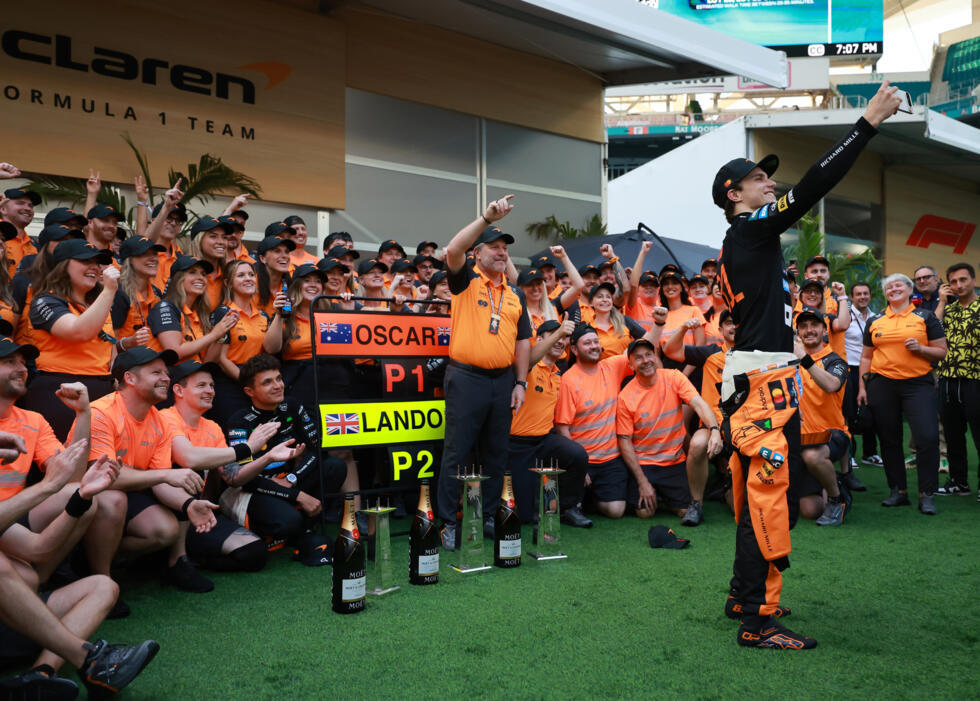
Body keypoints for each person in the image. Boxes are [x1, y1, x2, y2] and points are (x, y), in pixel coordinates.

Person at [713, 80, 902, 649]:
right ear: (734, 195)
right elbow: (817, 182)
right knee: (771, 501)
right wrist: (866, 121)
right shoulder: (749, 230)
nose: (770, 182)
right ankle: (757, 620)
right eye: (758, 178)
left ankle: (743, 593)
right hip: (762, 382)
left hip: (758, 378)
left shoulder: (742, 240)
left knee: (759, 498)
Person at [0, 427, 158, 700]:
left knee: (103, 586)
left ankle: (39, 675)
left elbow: (39, 549)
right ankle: (89, 658)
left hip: (17, 624)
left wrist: (82, 496)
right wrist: (49, 485)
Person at [73, 346, 220, 594]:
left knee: (166, 531)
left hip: (130, 490)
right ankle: (101, 580)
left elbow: (160, 481)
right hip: (88, 493)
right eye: (156, 372)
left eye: (166, 372)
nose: (166, 378)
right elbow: (101, 477)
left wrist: (188, 505)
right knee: (113, 500)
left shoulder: (159, 419)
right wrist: (165, 474)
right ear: (129, 378)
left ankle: (87, 556)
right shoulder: (101, 412)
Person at [435, 196, 531, 549]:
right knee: (457, 454)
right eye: (493, 247)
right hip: (466, 378)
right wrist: (485, 218)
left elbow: (523, 341)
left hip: (502, 380)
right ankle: (447, 522)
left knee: (495, 453)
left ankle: (488, 516)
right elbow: (453, 249)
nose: (501, 253)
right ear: (478, 253)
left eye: (505, 248)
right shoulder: (465, 281)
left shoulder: (514, 294)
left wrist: (520, 382)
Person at [162, 360, 293, 574]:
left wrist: (267, 457)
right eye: (201, 385)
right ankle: (171, 558)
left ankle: (189, 556)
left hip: (201, 512)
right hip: (166, 512)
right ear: (178, 390)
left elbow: (234, 477)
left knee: (255, 553)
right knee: (189, 472)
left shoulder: (212, 427)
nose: (210, 391)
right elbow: (189, 458)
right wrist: (248, 447)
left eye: (212, 386)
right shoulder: (165, 418)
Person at [222, 354, 347, 543]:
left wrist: (293, 478)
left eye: (279, 379)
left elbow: (316, 449)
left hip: (289, 480)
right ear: (250, 391)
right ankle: (285, 527)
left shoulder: (292, 406)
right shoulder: (239, 422)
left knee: (335, 466)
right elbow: (243, 480)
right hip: (256, 489)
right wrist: (298, 495)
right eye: (267, 382)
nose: (278, 385)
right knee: (289, 521)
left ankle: (304, 527)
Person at [555, 317, 664, 519]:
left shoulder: (611, 366)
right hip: (583, 459)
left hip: (611, 459)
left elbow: (641, 350)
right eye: (587, 343)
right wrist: (579, 467)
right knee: (566, 503)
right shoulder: (569, 380)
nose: (594, 346)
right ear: (575, 350)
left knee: (616, 511)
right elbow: (562, 428)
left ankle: (589, 499)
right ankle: (579, 494)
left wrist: (658, 324)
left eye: (596, 341)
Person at [857, 273, 946, 514]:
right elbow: (866, 356)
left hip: (918, 384)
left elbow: (941, 351)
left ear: (909, 290)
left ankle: (926, 494)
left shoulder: (925, 317)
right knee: (889, 439)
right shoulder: (875, 320)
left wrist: (921, 348)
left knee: (927, 437)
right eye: (888, 287)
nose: (893, 289)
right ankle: (898, 491)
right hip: (882, 385)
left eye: (898, 285)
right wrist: (863, 387)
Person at [617, 337, 723, 525]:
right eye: (639, 358)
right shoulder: (626, 396)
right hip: (644, 463)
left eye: (649, 355)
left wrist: (714, 430)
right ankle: (651, 490)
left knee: (684, 511)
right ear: (630, 364)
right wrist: (642, 481)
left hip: (674, 461)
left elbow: (698, 404)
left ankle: (664, 494)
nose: (646, 360)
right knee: (644, 513)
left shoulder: (674, 377)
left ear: (656, 356)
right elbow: (625, 441)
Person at [24, 240, 118, 441]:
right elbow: (78, 332)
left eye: (97, 262)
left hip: (102, 392)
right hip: (60, 392)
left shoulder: (98, 302)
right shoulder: (45, 300)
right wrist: (109, 291)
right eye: (85, 260)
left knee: (99, 465)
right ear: (63, 265)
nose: (94, 267)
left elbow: (109, 344)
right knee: (64, 462)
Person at [506, 319, 591, 527]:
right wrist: (561, 331)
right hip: (518, 445)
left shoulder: (559, 376)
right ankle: (538, 503)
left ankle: (568, 508)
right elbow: (531, 359)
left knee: (577, 454)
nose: (560, 340)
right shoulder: (527, 367)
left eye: (563, 337)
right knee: (527, 516)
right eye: (553, 335)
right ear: (540, 339)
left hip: (544, 441)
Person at [793, 308, 851, 526]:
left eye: (814, 325)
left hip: (830, 434)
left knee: (812, 457)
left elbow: (831, 385)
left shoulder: (835, 360)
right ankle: (830, 481)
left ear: (824, 330)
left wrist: (804, 359)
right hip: (798, 437)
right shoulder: (789, 360)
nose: (809, 330)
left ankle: (837, 498)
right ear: (798, 332)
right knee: (810, 510)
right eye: (804, 326)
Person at [209, 260, 284, 425]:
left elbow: (271, 349)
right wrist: (248, 381)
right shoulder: (224, 312)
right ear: (228, 283)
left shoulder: (263, 316)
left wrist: (278, 315)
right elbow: (221, 358)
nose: (248, 278)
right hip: (231, 383)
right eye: (241, 275)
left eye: (251, 274)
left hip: (257, 384)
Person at [935, 262, 980, 498]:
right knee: (953, 436)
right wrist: (942, 301)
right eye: (953, 282)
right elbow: (931, 330)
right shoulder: (948, 309)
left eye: (963, 280)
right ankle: (958, 482)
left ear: (973, 280)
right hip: (948, 380)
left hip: (976, 380)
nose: (959, 285)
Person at [146, 255, 235, 361]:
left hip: (195, 375)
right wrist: (214, 334)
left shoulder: (200, 314)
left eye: (203, 274)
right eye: (192, 272)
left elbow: (206, 362)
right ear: (178, 278)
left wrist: (221, 335)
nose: (201, 278)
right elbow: (174, 352)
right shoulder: (165, 307)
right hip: (169, 375)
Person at [843, 282, 881, 467]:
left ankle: (870, 453)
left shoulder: (876, 318)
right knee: (849, 411)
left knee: (872, 410)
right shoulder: (846, 316)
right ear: (852, 297)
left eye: (865, 293)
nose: (862, 297)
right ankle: (850, 454)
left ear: (870, 295)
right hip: (850, 368)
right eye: (858, 294)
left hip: (872, 369)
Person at [111, 236, 165, 354]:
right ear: (129, 260)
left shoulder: (157, 293)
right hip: (129, 365)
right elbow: (107, 344)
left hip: (156, 360)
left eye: (154, 254)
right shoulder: (118, 293)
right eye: (144, 254)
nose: (153, 259)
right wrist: (129, 343)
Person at [588, 282, 644, 359]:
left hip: (628, 369)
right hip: (603, 370)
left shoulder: (625, 320)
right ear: (591, 303)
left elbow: (647, 338)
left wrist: (632, 349)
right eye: (600, 297)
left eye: (608, 297)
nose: (605, 300)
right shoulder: (588, 328)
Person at [188, 216, 233, 308]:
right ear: (199, 240)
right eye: (213, 236)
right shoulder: (184, 274)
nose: (221, 242)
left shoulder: (230, 275)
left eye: (224, 237)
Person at [0, 187, 41, 276]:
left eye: (31, 205)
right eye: (20, 203)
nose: (28, 208)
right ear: (3, 209)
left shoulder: (35, 245)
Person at [254, 233, 295, 316]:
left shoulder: (292, 286)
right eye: (277, 251)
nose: (284, 256)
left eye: (286, 252)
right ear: (263, 258)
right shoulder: (251, 285)